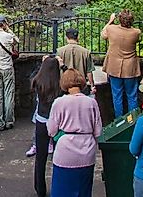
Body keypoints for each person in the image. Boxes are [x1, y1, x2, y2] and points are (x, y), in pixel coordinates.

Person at [46, 69, 102, 197]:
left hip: (65, 153)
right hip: (87, 152)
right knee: (84, 190)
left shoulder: (59, 103)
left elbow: (51, 130)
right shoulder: (91, 102)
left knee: (62, 191)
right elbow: (98, 130)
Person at [32, 56, 64, 197]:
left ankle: (40, 189)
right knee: (59, 157)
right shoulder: (60, 84)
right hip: (57, 123)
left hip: (41, 121)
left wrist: (43, 63)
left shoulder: (38, 82)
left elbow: (33, 76)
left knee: (41, 157)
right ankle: (59, 187)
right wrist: (63, 65)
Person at [102, 10, 142, 117]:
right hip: (130, 68)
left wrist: (110, 21)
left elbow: (103, 34)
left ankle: (119, 121)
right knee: (132, 95)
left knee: (117, 96)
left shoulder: (111, 29)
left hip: (114, 67)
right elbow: (139, 40)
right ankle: (133, 120)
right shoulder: (136, 32)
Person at [57, 28, 94, 94]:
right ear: (78, 37)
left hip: (65, 85)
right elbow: (89, 72)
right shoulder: (86, 52)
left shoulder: (60, 51)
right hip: (81, 85)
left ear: (66, 37)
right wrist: (92, 85)